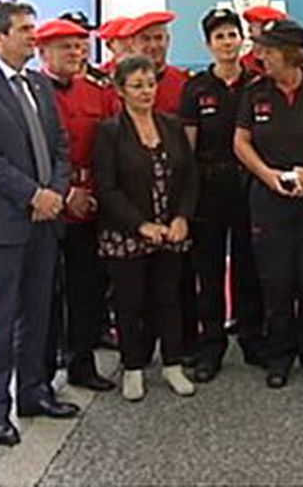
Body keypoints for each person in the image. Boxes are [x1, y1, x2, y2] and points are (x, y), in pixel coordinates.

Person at [0, 1, 78, 447]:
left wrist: (57, 192)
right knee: (1, 317)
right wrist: (32, 194)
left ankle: (34, 392)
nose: (33, 36)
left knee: (38, 311)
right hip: (5, 223)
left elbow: (60, 145)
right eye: (24, 29)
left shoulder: (40, 86)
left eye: (33, 28)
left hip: (46, 220)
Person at [233, 19, 303, 389]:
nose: (261, 55)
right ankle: (279, 356)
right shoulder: (255, 92)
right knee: (276, 282)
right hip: (269, 198)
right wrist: (267, 175)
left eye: (269, 50)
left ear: (291, 53)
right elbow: (241, 142)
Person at [93, 55, 198, 401]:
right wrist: (141, 225)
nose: (146, 92)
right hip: (127, 234)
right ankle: (133, 368)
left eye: (150, 84)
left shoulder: (171, 125)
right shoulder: (109, 132)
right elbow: (106, 188)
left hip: (171, 231)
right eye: (137, 86)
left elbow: (189, 177)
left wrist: (182, 216)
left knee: (169, 299)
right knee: (130, 303)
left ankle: (172, 364)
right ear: (120, 90)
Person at [179, 7, 264, 381]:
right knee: (209, 271)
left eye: (232, 35)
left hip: (249, 188)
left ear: (242, 40)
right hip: (209, 191)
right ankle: (210, 345)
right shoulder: (196, 88)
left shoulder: (258, 83)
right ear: (208, 44)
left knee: (249, 268)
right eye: (219, 37)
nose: (227, 43)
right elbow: (187, 149)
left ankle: (251, 339)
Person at [35, 18, 120, 393]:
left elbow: (111, 144)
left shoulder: (98, 91)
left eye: (79, 46)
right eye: (65, 47)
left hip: (90, 204)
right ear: (43, 53)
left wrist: (98, 192)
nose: (75, 53)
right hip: (47, 205)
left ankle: (81, 363)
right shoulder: (33, 92)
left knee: (86, 289)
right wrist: (66, 191)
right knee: (44, 294)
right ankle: (40, 373)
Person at [122, 10, 190, 114]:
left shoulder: (184, 83)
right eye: (145, 39)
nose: (153, 46)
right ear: (132, 43)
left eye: (158, 38)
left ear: (167, 41)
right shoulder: (117, 84)